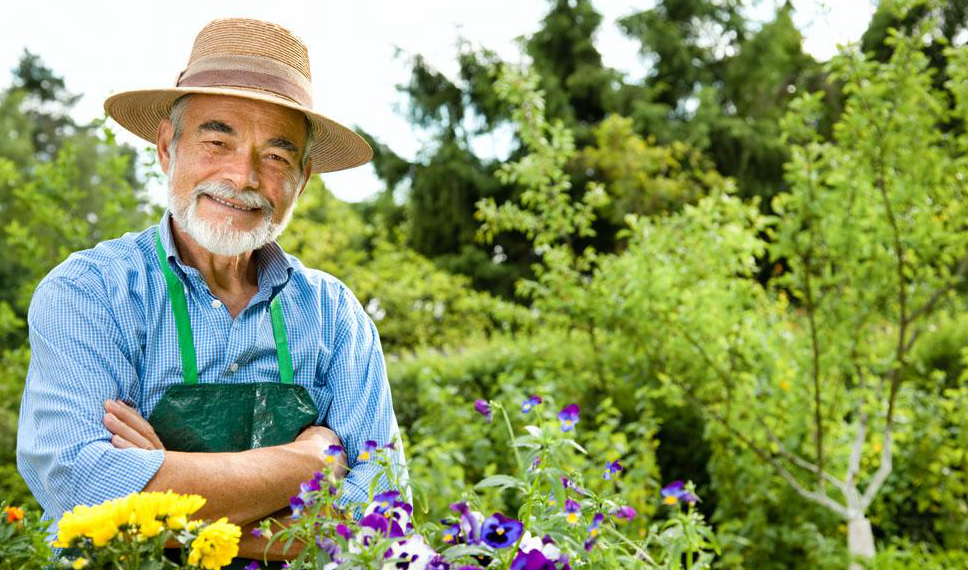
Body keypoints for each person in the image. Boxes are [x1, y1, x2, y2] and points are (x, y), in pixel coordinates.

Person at [16, 18, 406, 565]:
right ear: (166, 147)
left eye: (276, 156)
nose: (243, 176)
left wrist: (162, 488)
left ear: (303, 177)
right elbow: (82, 491)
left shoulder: (335, 317)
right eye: (217, 139)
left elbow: (384, 516)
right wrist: (310, 463)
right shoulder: (92, 293)